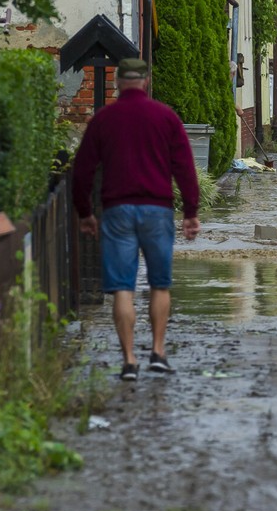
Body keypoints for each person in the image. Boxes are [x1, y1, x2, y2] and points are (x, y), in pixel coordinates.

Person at [71, 57, 200, 381]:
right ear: (146, 81)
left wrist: (85, 213)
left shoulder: (103, 119)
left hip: (117, 211)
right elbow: (185, 167)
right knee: (160, 284)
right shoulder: (166, 117)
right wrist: (190, 212)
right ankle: (157, 352)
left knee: (122, 289)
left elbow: (82, 171)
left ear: (117, 82)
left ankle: (129, 361)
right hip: (157, 210)